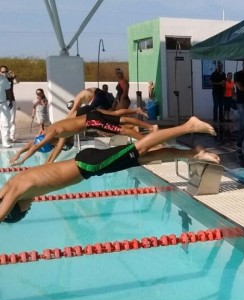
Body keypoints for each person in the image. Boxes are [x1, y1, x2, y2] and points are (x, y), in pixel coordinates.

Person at [0, 116, 218, 223]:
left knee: (140, 147)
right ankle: (194, 154)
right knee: (144, 158)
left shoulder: (19, 191)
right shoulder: (12, 185)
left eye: (25, 210)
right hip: (88, 164)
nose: (30, 207)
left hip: (89, 165)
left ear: (16, 207)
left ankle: (189, 126)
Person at [10, 105, 157, 166]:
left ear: (50, 143)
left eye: (52, 146)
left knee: (123, 131)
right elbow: (34, 143)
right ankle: (150, 128)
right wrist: (18, 153)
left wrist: (22, 160)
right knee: (120, 119)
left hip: (92, 120)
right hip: (91, 115)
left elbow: (37, 146)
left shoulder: (56, 134)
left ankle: (151, 141)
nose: (55, 146)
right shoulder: (51, 130)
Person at [0, 66, 13, 147]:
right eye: (3, 71)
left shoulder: (4, 79)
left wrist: (10, 100)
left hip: (3, 102)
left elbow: (8, 90)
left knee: (5, 123)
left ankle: (5, 141)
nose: (4, 73)